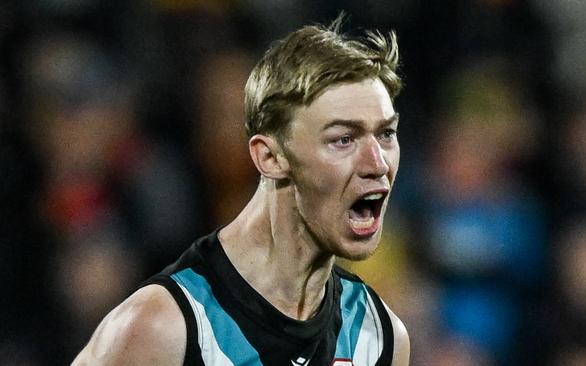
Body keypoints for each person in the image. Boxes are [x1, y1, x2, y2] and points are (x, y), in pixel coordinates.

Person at [73, 16, 410, 366]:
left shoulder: (380, 337)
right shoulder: (164, 327)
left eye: (386, 134)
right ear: (270, 157)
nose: (378, 163)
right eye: (343, 139)